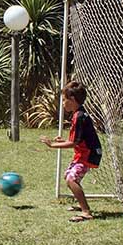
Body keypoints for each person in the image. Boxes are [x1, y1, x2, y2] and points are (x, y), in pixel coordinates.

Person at [40, 80, 102, 223]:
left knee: (71, 179)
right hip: (84, 153)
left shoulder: (79, 116)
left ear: (72, 99)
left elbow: (75, 142)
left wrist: (53, 145)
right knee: (68, 176)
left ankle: (86, 212)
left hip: (89, 154)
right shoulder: (77, 115)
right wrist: (62, 141)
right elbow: (79, 138)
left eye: (64, 100)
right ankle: (81, 204)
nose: (62, 104)